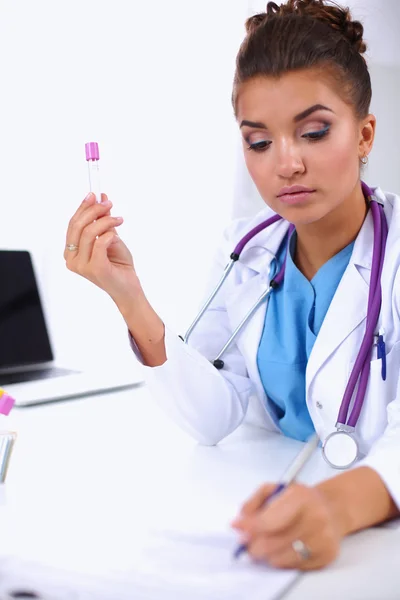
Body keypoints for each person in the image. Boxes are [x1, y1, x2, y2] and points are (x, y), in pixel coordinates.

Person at [64, 0, 400, 571]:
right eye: (259, 142)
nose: (286, 163)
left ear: (365, 134)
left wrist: (333, 509)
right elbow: (214, 416)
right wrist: (129, 296)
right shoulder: (244, 251)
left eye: (314, 132)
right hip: (264, 509)